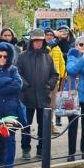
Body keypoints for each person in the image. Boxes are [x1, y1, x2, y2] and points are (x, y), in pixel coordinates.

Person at [16, 28, 59, 158]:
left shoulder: (47, 57)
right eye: (36, 41)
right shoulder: (22, 56)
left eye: (41, 41)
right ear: (31, 41)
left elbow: (55, 75)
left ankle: (42, 149)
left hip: (43, 96)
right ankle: (25, 148)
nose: (38, 43)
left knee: (43, 125)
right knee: (26, 125)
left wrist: (48, 85)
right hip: (27, 96)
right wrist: (26, 85)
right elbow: (17, 73)